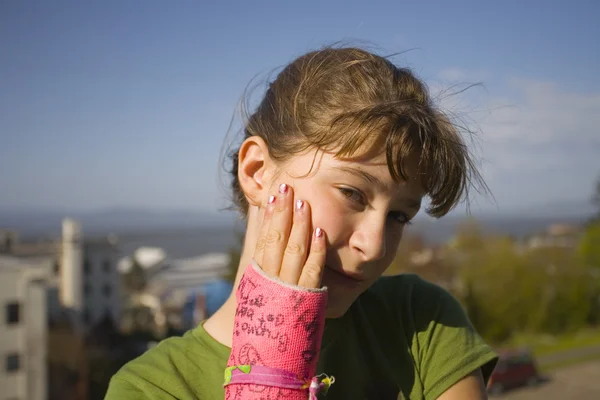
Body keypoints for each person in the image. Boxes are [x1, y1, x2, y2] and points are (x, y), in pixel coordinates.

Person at [106, 46, 498, 400]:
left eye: (399, 216)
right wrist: (271, 375)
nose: (375, 245)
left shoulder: (417, 320)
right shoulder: (152, 387)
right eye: (352, 193)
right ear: (257, 172)